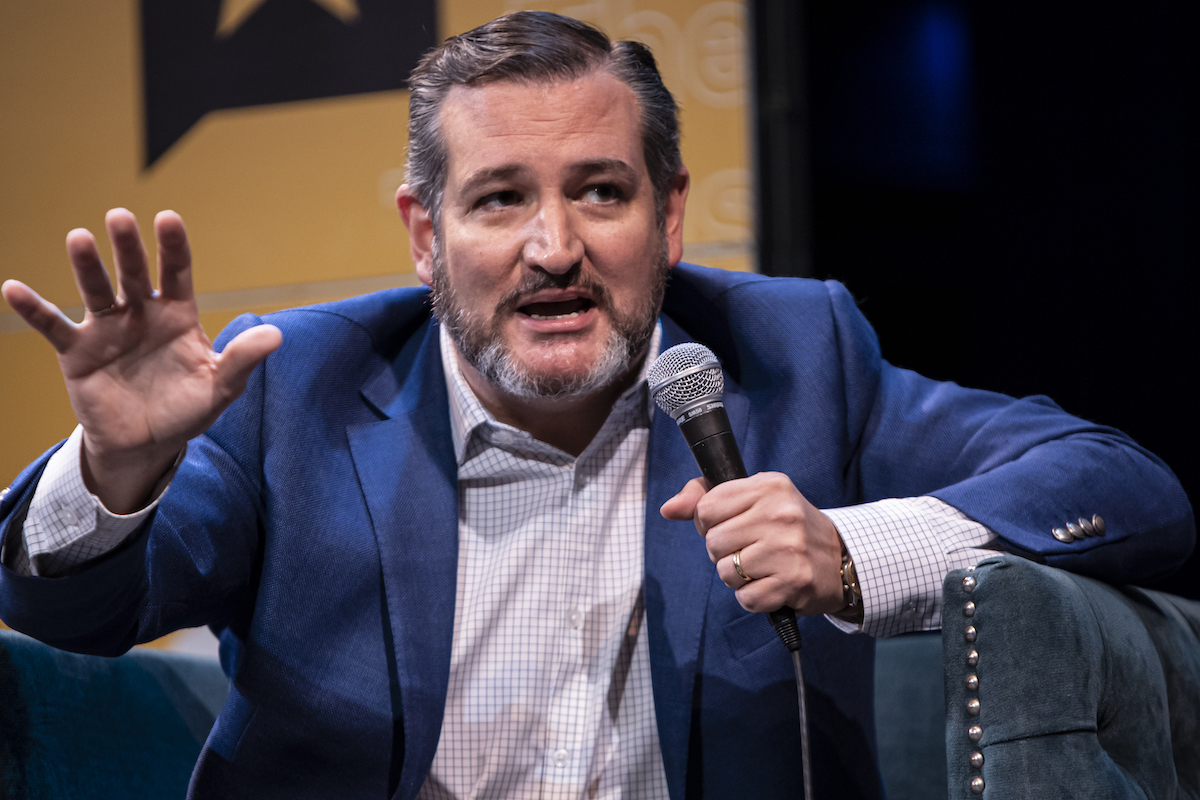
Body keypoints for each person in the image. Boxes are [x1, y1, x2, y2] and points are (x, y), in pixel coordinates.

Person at [0, 11, 1192, 800]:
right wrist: (114, 469)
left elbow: (1119, 484)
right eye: (501, 199)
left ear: (669, 217)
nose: (552, 246)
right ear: (426, 233)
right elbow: (86, 614)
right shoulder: (301, 384)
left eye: (600, 191)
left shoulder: (794, 353)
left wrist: (850, 549)